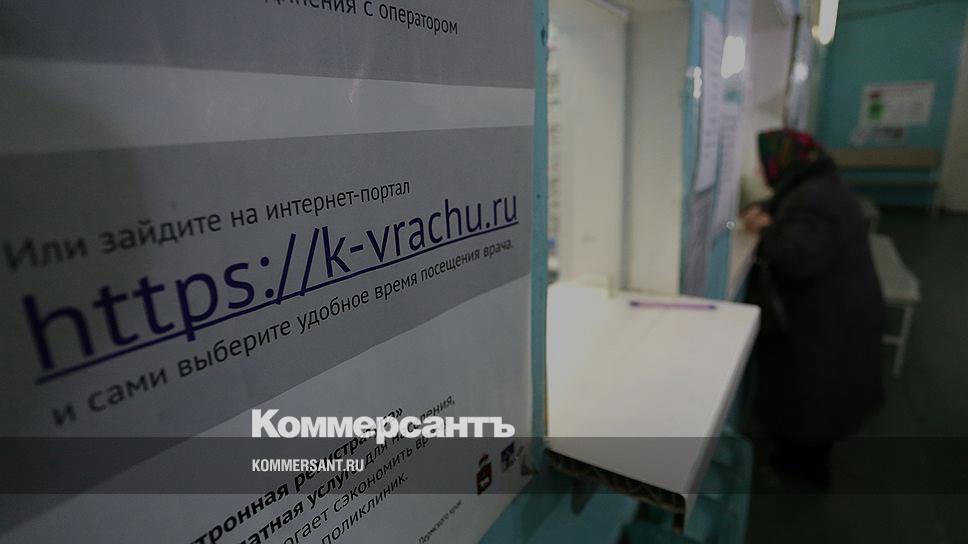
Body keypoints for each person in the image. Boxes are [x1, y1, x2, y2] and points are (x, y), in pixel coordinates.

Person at [741, 128, 884, 486]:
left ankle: (801, 472)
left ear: (783, 161)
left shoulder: (814, 198)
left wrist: (765, 232)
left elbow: (798, 258)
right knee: (815, 397)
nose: (760, 171)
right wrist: (766, 214)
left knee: (811, 398)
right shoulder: (817, 184)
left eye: (764, 162)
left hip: (828, 320)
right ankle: (798, 459)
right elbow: (788, 210)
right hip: (838, 310)